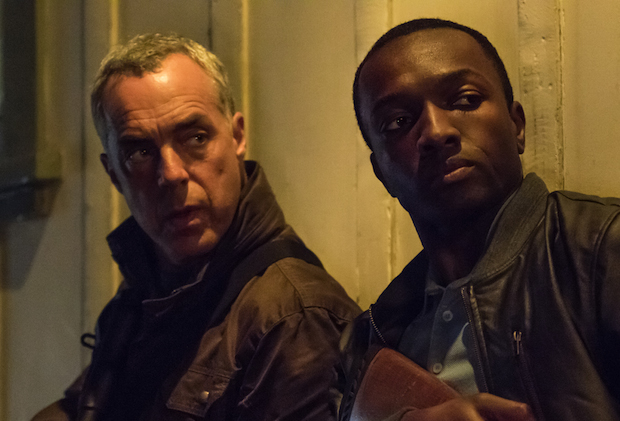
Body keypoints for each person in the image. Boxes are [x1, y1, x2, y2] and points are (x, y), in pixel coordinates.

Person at [32, 33, 360, 420]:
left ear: (237, 137)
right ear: (114, 174)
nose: (171, 173)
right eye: (140, 151)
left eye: (195, 137)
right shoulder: (151, 284)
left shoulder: (291, 315)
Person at [339, 18, 620, 421]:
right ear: (381, 173)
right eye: (399, 122)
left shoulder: (602, 254)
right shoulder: (374, 334)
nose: (436, 131)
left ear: (517, 125)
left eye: (465, 100)